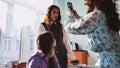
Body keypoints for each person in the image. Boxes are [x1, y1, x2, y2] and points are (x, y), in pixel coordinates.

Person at [65, 0, 120, 68]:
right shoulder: (107, 15)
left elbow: (69, 28)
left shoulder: (97, 15)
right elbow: (88, 24)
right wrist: (76, 16)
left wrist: (70, 16)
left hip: (109, 62)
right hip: (115, 60)